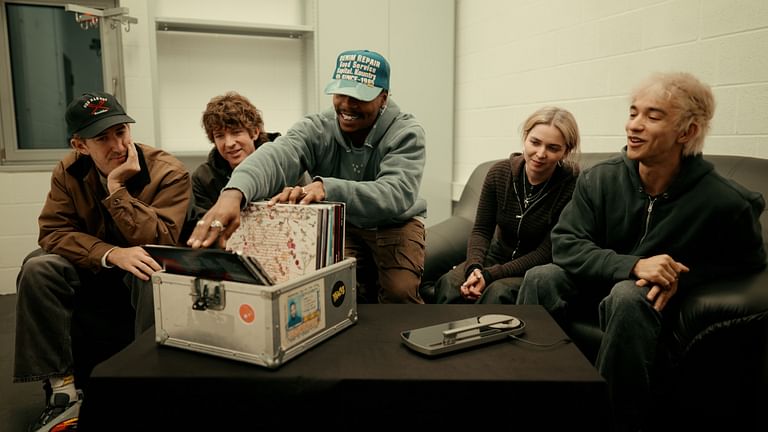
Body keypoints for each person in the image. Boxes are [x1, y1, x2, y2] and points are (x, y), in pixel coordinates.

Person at [516, 72, 766, 431]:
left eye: (653, 116)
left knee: (629, 295)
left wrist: (681, 275)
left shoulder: (726, 201)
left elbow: (748, 262)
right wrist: (634, 265)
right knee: (542, 277)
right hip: (596, 281)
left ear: (687, 132)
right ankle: (529, 400)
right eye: (633, 112)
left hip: (641, 303)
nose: (634, 125)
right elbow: (566, 243)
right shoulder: (600, 178)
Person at [187, 49, 427, 304]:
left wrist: (325, 187)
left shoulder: (406, 132)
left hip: (395, 223)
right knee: (335, 291)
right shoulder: (317, 127)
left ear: (383, 97)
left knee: (399, 292)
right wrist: (234, 193)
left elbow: (395, 194)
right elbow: (278, 155)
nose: (347, 105)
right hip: (346, 223)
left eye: (358, 97)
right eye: (341, 94)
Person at [13, 91, 191, 431]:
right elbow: (53, 232)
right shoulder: (68, 170)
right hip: (96, 266)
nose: (118, 146)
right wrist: (110, 253)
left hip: (142, 269)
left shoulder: (168, 171)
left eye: (121, 132)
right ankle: (63, 394)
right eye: (102, 138)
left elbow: (162, 240)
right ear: (80, 145)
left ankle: (148, 389)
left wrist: (116, 189)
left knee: (152, 267)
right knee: (38, 267)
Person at [434, 107, 580, 304]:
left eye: (553, 148)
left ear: (565, 152)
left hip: (534, 267)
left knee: (497, 292)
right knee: (450, 283)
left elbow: (546, 252)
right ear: (525, 138)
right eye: (535, 142)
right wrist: (474, 268)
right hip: (498, 255)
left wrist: (490, 275)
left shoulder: (572, 186)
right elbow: (481, 230)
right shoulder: (499, 173)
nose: (540, 153)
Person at [181, 91, 285, 242]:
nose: (229, 143)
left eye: (236, 132)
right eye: (219, 136)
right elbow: (205, 231)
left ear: (255, 132)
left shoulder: (284, 164)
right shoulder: (203, 177)